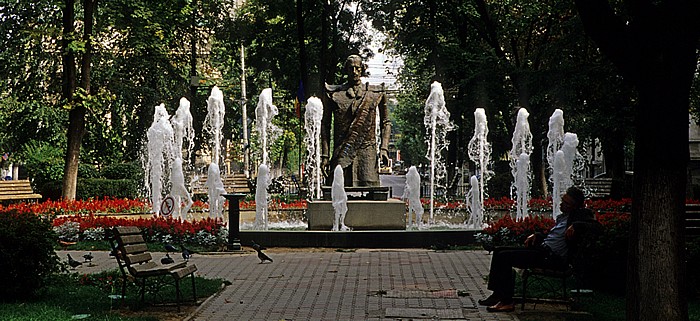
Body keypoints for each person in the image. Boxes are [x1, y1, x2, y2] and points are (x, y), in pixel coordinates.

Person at [478, 186, 601, 312]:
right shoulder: (563, 217)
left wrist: (576, 225)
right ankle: (497, 295)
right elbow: (552, 237)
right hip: (542, 251)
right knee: (499, 251)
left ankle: (507, 302)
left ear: (574, 206)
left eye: (566, 203)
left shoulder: (580, 215)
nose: (561, 204)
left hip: (552, 259)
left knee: (505, 257)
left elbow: (596, 226)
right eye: (563, 201)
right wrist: (537, 235)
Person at [321, 54, 391, 187]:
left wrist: (384, 148)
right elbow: (325, 125)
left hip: (367, 155)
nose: (354, 72)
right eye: (351, 68)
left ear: (362, 69)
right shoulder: (334, 94)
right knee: (335, 186)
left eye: (357, 68)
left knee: (371, 186)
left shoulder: (375, 93)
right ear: (346, 70)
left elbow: (386, 123)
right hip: (342, 152)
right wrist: (325, 156)